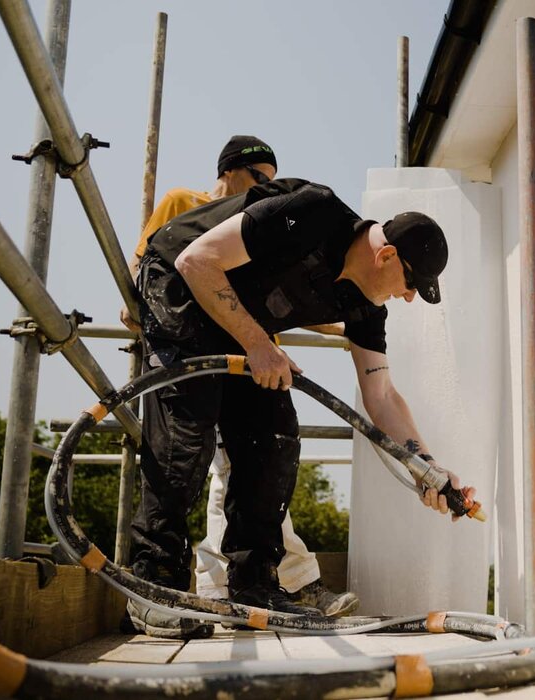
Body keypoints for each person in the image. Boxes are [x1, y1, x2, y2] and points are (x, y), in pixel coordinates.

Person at [125, 176, 474, 639]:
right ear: (386, 255)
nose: (409, 296)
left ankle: (254, 585)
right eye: (411, 282)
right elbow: (197, 260)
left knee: (273, 435)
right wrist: (256, 343)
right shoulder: (312, 214)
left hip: (235, 318)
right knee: (186, 436)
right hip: (180, 285)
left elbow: (382, 395)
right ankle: (154, 587)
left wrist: (426, 467)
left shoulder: (365, 307)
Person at [122, 137, 353, 637]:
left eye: (274, 179)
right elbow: (145, 269)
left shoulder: (263, 220)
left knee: (268, 452)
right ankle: (155, 586)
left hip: (251, 348)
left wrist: (345, 329)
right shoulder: (185, 203)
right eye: (259, 178)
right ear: (228, 172)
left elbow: (273, 294)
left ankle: (256, 587)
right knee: (180, 454)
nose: (268, 189)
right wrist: (139, 311)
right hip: (188, 333)